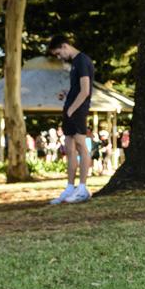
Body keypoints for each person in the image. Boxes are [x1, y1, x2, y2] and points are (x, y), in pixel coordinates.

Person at [48, 34, 94, 204]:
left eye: (59, 53)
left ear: (65, 46)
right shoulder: (75, 63)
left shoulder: (82, 61)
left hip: (77, 110)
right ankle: (70, 187)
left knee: (81, 146)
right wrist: (66, 94)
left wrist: (72, 109)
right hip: (70, 109)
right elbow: (77, 88)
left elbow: (85, 90)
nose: (59, 57)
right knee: (69, 148)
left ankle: (82, 188)